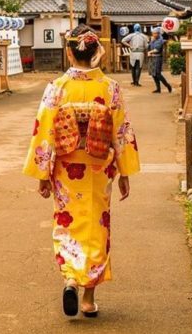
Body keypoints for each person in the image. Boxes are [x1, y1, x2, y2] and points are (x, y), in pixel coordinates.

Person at [23, 25, 140, 318]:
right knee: (96, 225)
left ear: (69, 53)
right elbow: (121, 132)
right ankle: (88, 299)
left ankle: (71, 278)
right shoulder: (109, 87)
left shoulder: (58, 88)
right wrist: (124, 171)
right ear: (96, 53)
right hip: (98, 165)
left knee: (68, 221)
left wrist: (42, 173)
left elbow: (44, 131)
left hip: (65, 166)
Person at [147, 27, 173, 94]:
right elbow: (149, 46)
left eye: (155, 33)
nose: (154, 34)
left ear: (158, 34)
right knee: (154, 74)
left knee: (158, 74)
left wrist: (150, 52)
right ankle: (158, 89)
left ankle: (167, 85)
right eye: (153, 33)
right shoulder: (153, 39)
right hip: (152, 58)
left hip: (157, 58)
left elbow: (157, 49)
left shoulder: (160, 40)